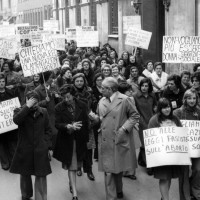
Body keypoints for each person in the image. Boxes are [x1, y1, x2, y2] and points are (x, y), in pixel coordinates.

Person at [97, 77, 139, 200]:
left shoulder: (125, 99)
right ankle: (111, 196)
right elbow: (102, 118)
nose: (101, 90)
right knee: (108, 170)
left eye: (103, 88)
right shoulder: (101, 100)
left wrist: (124, 129)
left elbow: (134, 115)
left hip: (119, 136)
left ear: (110, 89)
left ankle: (119, 190)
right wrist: (95, 119)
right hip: (106, 138)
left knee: (118, 168)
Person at [10, 90, 52, 200]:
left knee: (41, 175)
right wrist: (26, 107)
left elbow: (48, 130)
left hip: (40, 148)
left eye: (36, 102)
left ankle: (41, 197)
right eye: (31, 101)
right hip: (25, 148)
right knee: (25, 175)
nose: (34, 104)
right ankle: (26, 195)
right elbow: (16, 120)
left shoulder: (44, 111)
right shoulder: (19, 111)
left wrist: (47, 145)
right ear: (26, 100)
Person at [53, 84, 90, 200]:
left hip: (80, 140)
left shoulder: (83, 105)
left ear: (73, 95)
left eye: (68, 97)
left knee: (76, 165)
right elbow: (57, 124)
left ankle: (71, 183)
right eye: (64, 97)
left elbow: (86, 121)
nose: (66, 99)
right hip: (67, 141)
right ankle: (75, 193)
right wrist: (68, 126)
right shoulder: (58, 107)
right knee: (72, 166)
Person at [148, 98, 184, 200]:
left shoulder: (175, 118)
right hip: (161, 156)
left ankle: (164, 198)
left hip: (173, 155)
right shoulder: (154, 120)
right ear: (160, 109)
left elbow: (181, 134)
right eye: (164, 107)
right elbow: (150, 139)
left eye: (168, 106)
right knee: (163, 178)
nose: (167, 109)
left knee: (168, 177)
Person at [174, 89, 200, 200]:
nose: (192, 100)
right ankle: (184, 196)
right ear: (185, 99)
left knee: (198, 169)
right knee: (184, 173)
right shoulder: (178, 112)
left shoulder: (199, 111)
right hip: (183, 147)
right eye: (189, 98)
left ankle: (195, 191)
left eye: (194, 98)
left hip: (196, 146)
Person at [72, 73, 96, 181]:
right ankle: (78, 167)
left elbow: (94, 104)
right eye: (77, 81)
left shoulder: (89, 92)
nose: (79, 83)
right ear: (74, 82)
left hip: (88, 123)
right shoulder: (71, 93)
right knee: (77, 148)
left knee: (89, 148)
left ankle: (89, 170)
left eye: (81, 81)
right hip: (76, 124)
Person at [133, 78, 157, 175]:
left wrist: (156, 110)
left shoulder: (153, 95)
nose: (144, 88)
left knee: (150, 144)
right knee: (146, 144)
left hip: (152, 121)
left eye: (146, 86)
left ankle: (141, 159)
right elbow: (135, 111)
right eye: (142, 86)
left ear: (149, 87)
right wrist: (141, 122)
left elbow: (155, 106)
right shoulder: (135, 96)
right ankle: (149, 166)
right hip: (141, 122)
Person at [0, 74, 18, 170]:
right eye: (0, 82)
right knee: (2, 144)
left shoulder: (11, 92)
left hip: (10, 123)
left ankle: (13, 161)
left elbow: (15, 105)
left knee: (12, 142)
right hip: (1, 124)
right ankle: (5, 163)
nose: (1, 83)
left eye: (3, 81)